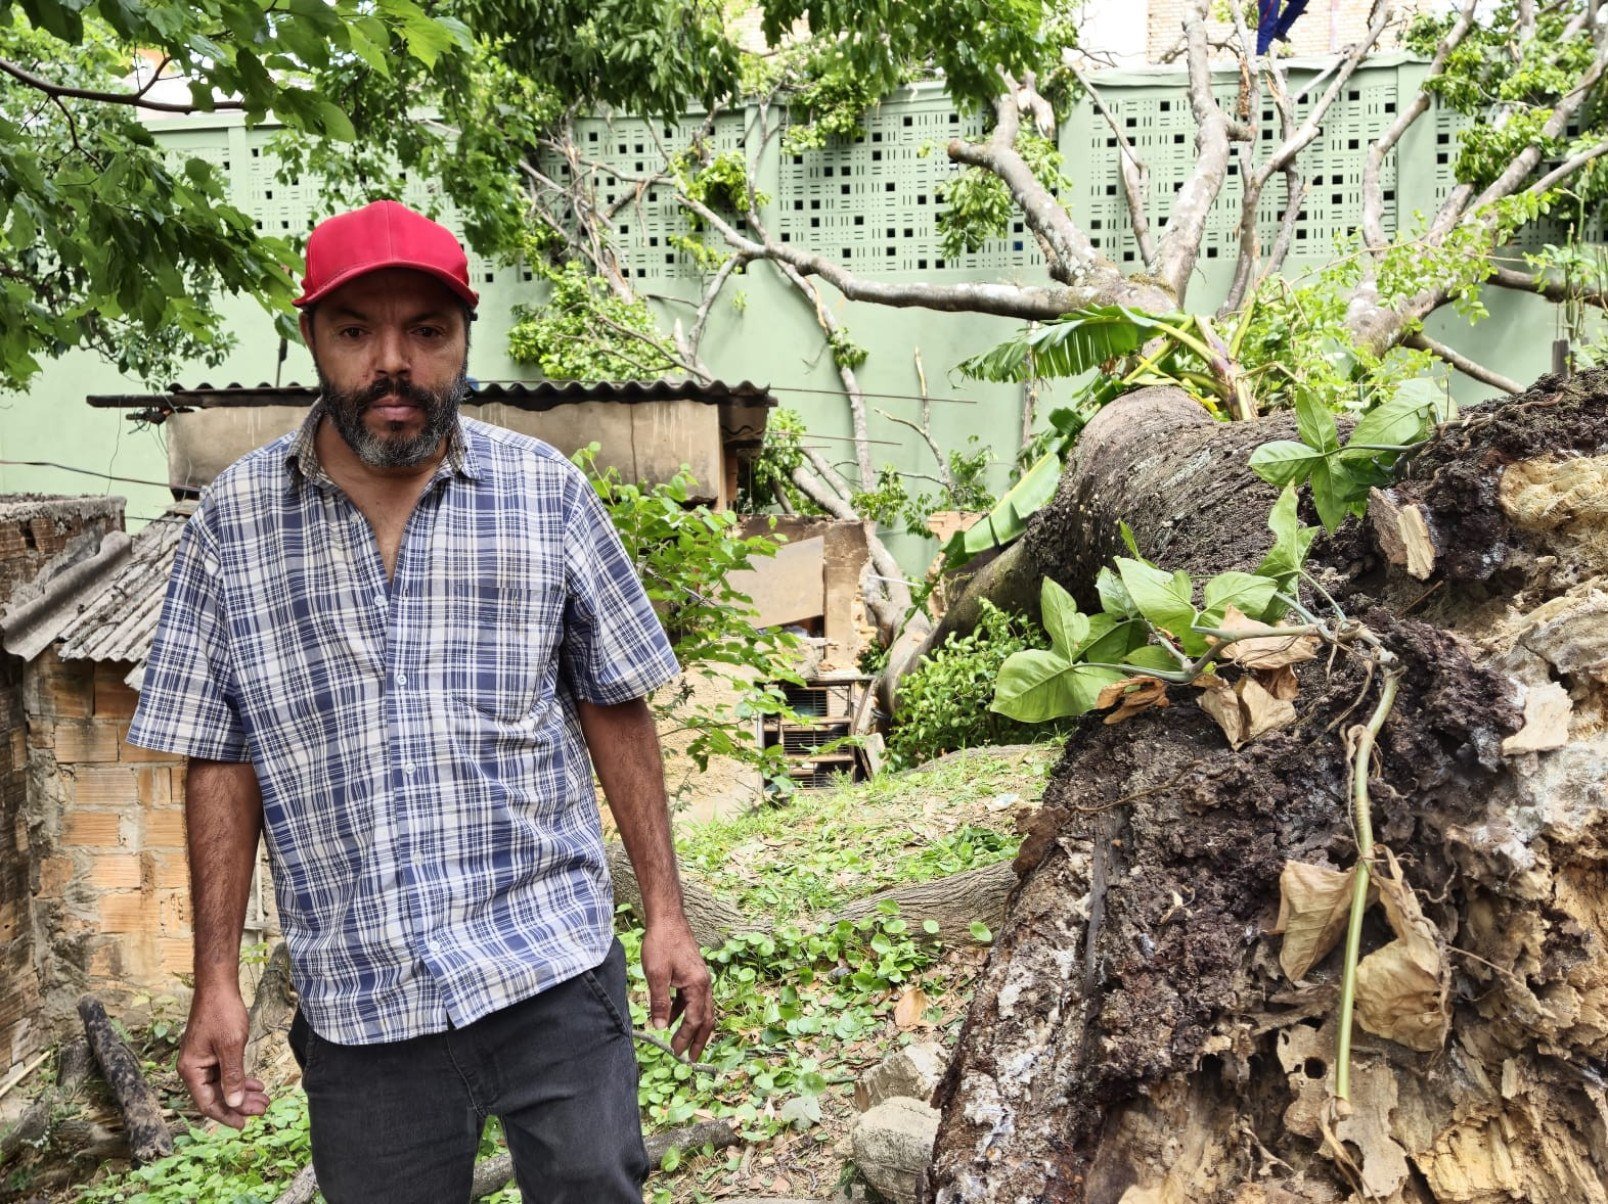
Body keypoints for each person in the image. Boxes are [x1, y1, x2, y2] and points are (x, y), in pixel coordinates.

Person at [128, 199, 714, 1203]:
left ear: (463, 338)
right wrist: (216, 979)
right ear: (312, 336)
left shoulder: (547, 495)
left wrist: (665, 911)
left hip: (549, 968)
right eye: (356, 331)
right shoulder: (232, 523)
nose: (390, 362)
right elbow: (219, 752)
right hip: (362, 1002)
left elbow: (616, 705)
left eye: (425, 332)